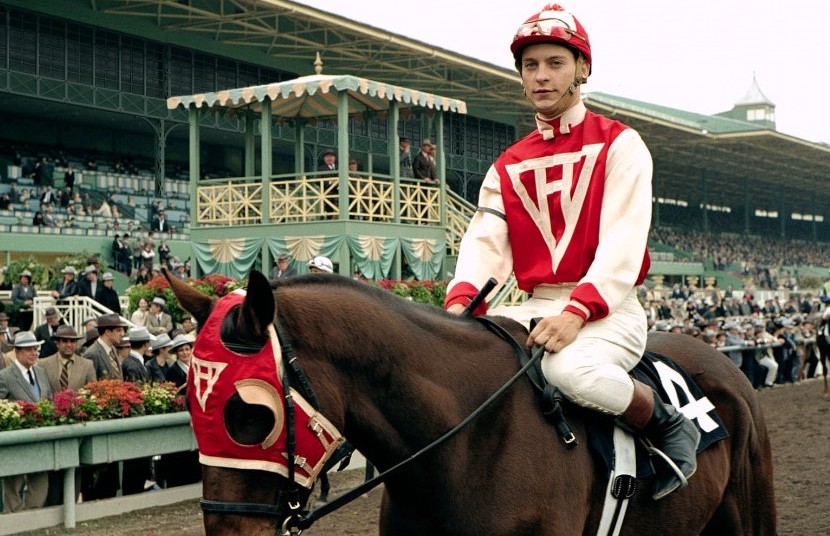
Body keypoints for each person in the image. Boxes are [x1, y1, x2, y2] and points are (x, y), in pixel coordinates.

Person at [444, 4, 698, 501]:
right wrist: (461, 304)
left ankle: (666, 424)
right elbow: (484, 243)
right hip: (534, 303)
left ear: (582, 68)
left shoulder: (621, 144)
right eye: (530, 65)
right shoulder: (507, 164)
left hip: (609, 307)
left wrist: (578, 311)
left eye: (555, 63)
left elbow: (623, 243)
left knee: (566, 370)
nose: (541, 76)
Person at [0, 332, 52, 512]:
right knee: (13, 482)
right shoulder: (5, 376)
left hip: (41, 437)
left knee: (40, 480)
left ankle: (32, 518)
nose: (34, 353)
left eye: (36, 349)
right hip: (17, 439)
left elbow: (49, 400)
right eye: (29, 349)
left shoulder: (40, 372)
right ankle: (13, 519)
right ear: (17, 352)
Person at [39, 325, 96, 393]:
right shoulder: (43, 364)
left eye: (72, 341)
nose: (69, 345)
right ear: (57, 343)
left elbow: (93, 392)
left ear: (76, 343)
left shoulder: (87, 365)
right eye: (65, 341)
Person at [82, 313, 126, 380]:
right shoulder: (92, 353)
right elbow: (89, 383)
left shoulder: (113, 349)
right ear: (107, 332)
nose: (122, 334)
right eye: (118, 330)